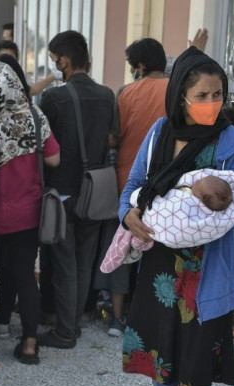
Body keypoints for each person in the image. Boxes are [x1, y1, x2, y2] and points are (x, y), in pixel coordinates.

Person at [119, 46, 234, 386]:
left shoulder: (233, 142)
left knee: (195, 376)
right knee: (160, 361)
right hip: (158, 272)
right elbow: (134, 186)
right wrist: (129, 215)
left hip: (203, 277)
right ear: (181, 95)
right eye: (201, 94)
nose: (211, 102)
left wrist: (191, 215)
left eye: (218, 94)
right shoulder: (160, 132)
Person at [0, 56, 60, 364]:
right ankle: (28, 343)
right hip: (28, 212)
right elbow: (53, 160)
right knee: (25, 276)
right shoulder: (34, 117)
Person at [38, 30, 115, 349]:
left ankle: (64, 331)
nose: (55, 65)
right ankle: (76, 321)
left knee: (63, 264)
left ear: (64, 61)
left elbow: (46, 148)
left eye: (55, 60)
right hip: (96, 190)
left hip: (62, 192)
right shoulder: (108, 95)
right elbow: (112, 139)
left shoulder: (54, 97)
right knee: (84, 260)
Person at [96, 37, 169, 337]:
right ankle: (155, 316)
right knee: (159, 251)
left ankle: (117, 317)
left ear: (139, 66)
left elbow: (115, 136)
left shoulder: (126, 93)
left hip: (130, 181)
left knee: (123, 247)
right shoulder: (176, 89)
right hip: (167, 184)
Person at [101, 170, 234, 273]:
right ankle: (127, 250)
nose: (197, 179)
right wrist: (126, 212)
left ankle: (126, 250)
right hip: (154, 265)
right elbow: (135, 180)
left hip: (202, 267)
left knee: (132, 238)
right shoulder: (159, 131)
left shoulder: (192, 200)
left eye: (199, 182)